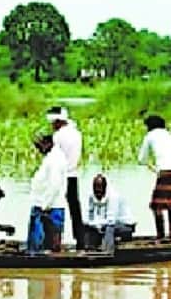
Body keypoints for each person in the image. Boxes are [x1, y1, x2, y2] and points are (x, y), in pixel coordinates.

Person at [137, 115, 171, 239]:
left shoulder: (150, 136)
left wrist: (150, 165)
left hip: (166, 171)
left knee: (155, 205)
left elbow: (141, 159)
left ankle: (161, 236)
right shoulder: (170, 136)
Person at [46, 107, 85, 248]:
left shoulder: (58, 136)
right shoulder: (77, 133)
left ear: (57, 122)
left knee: (56, 207)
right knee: (75, 208)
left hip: (61, 176)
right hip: (73, 175)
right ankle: (80, 239)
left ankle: (55, 241)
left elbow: (54, 157)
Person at [27, 133, 67, 253]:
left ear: (47, 143)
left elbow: (54, 185)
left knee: (44, 243)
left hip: (49, 207)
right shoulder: (51, 157)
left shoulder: (55, 160)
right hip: (46, 205)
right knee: (46, 242)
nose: (38, 149)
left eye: (39, 146)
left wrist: (45, 205)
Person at [83, 173, 136, 252]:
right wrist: (93, 225)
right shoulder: (91, 196)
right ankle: (88, 248)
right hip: (104, 224)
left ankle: (107, 252)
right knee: (88, 227)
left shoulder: (113, 196)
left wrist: (97, 225)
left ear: (105, 187)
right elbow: (87, 217)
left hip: (125, 225)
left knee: (109, 228)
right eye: (95, 189)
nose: (98, 191)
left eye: (100, 188)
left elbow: (111, 220)